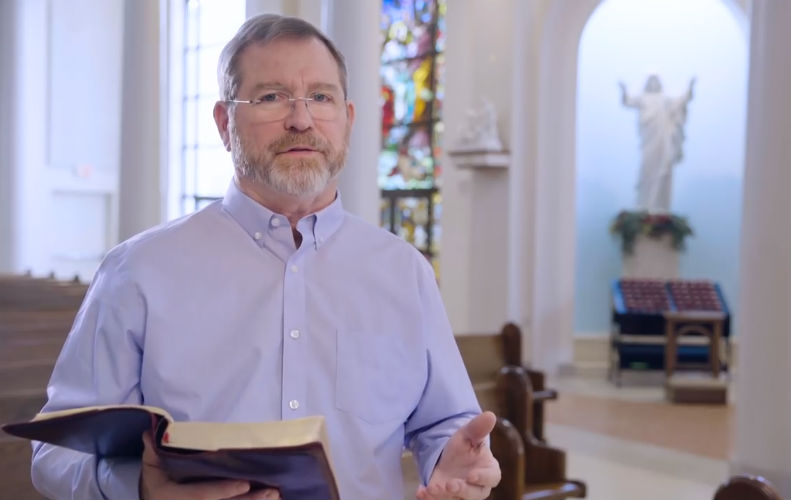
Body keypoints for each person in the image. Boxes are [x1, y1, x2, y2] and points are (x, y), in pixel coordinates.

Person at [29, 13, 500, 500]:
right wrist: (140, 488)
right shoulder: (137, 271)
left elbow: (443, 422)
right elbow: (55, 454)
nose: (301, 119)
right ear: (224, 123)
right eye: (272, 97)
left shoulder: (404, 272)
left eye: (321, 97)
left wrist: (451, 457)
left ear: (348, 119)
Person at [619, 74, 695, 213]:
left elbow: (681, 101)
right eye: (651, 81)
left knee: (662, 169)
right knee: (647, 169)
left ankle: (659, 205)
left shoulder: (664, 99)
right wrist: (623, 91)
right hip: (648, 140)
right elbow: (628, 101)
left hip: (661, 139)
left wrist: (690, 88)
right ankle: (645, 204)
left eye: (656, 81)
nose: (653, 83)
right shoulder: (643, 98)